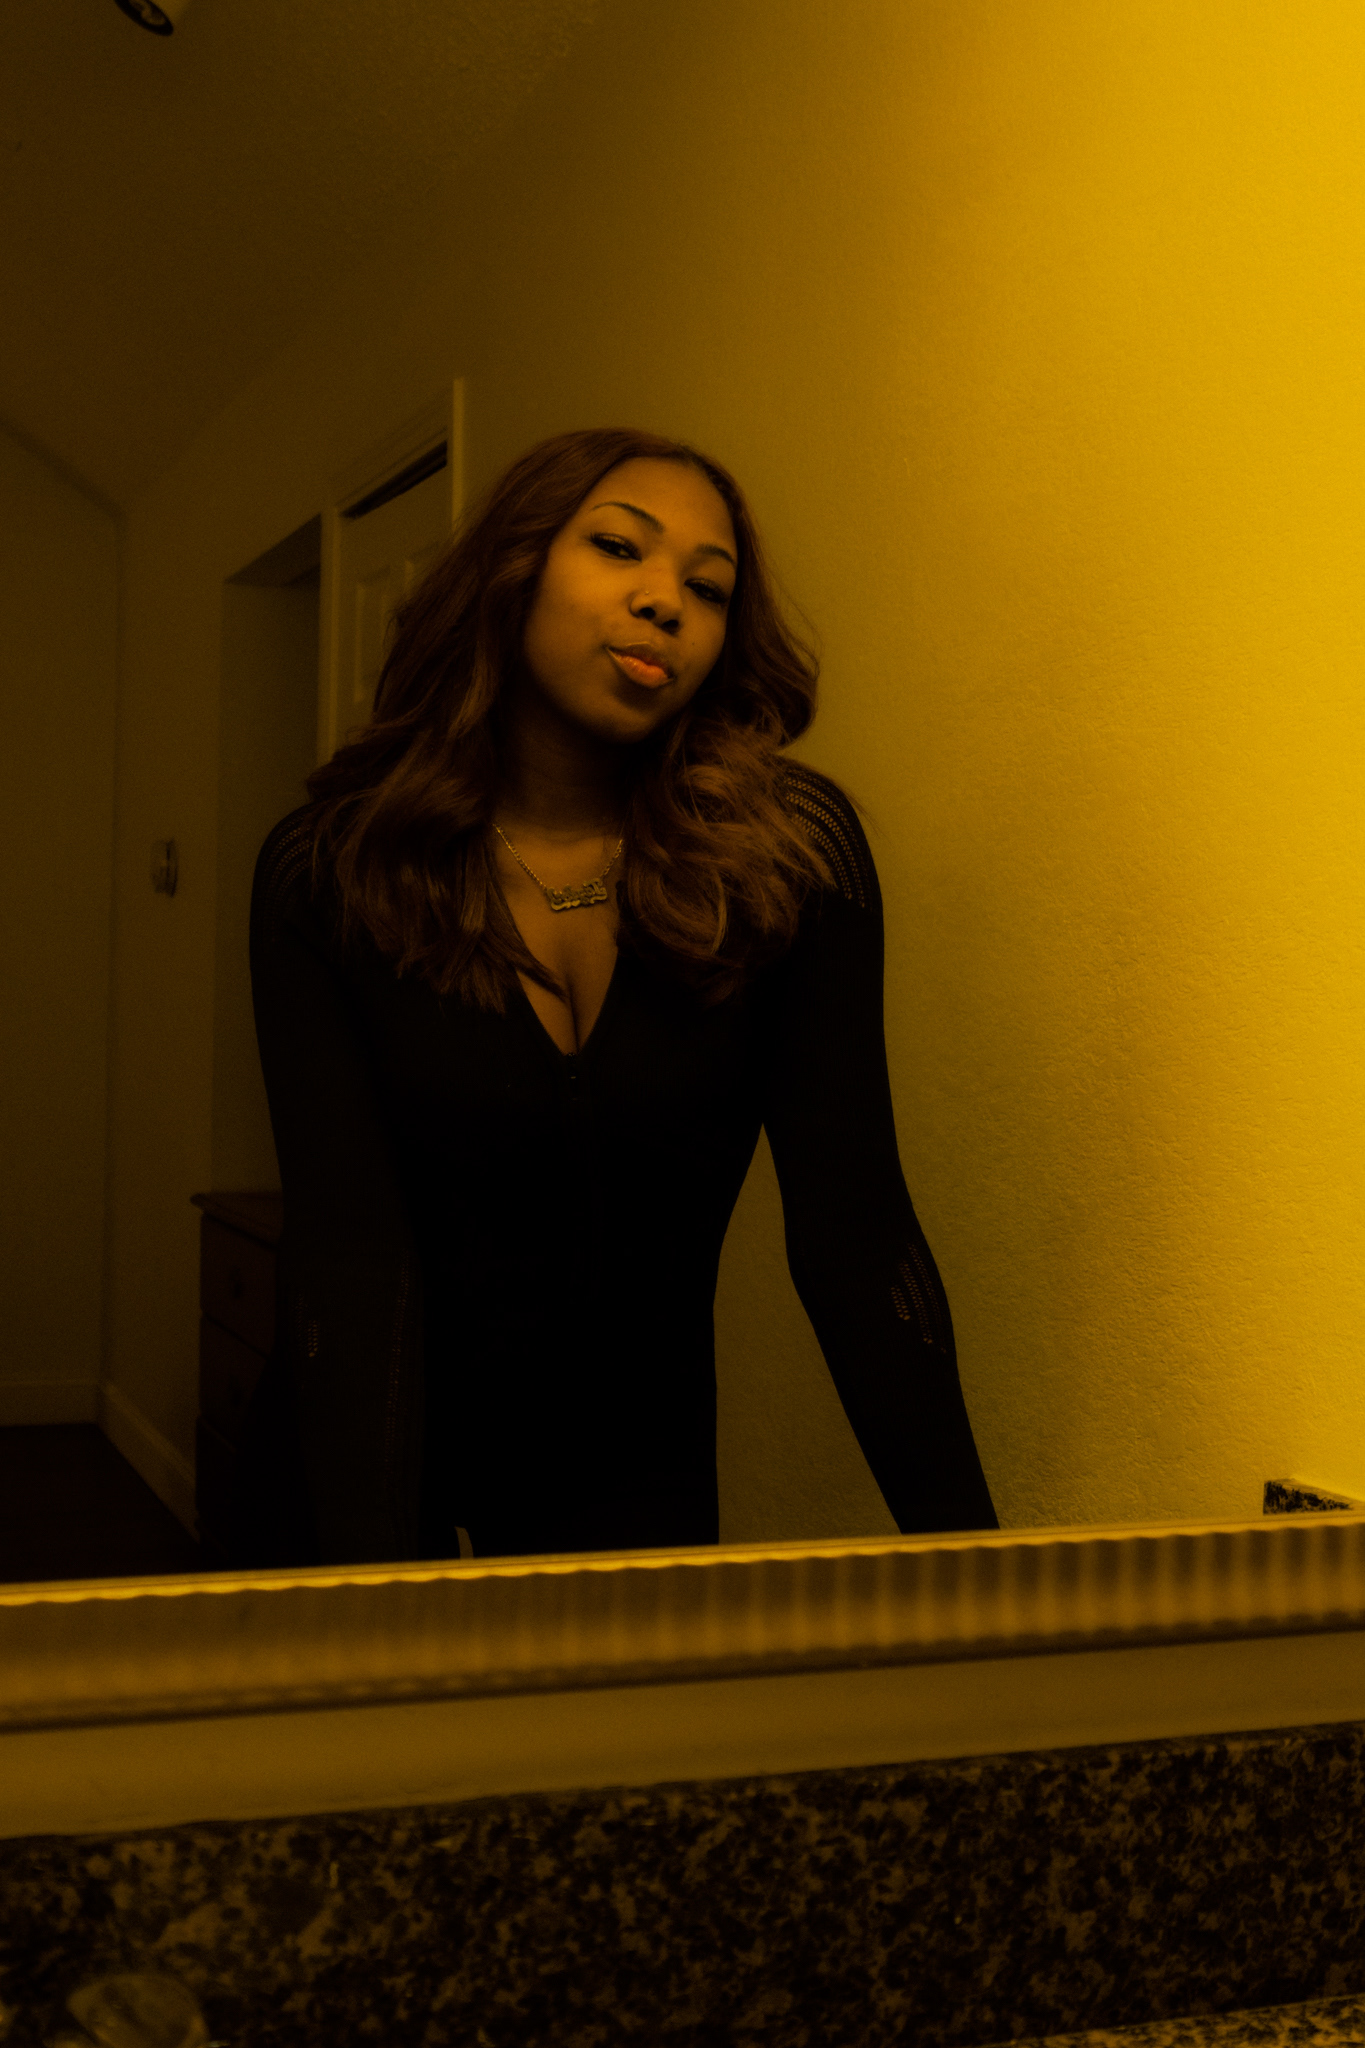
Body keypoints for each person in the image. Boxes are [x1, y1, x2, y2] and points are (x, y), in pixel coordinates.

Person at [232, 426, 997, 1567]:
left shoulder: (786, 860)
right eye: (618, 547)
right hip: (352, 1479)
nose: (663, 601)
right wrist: (375, 1592)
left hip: (633, 1497)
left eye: (707, 587)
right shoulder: (335, 871)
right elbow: (347, 1262)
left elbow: (856, 1235)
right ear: (514, 568)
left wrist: (984, 1573)